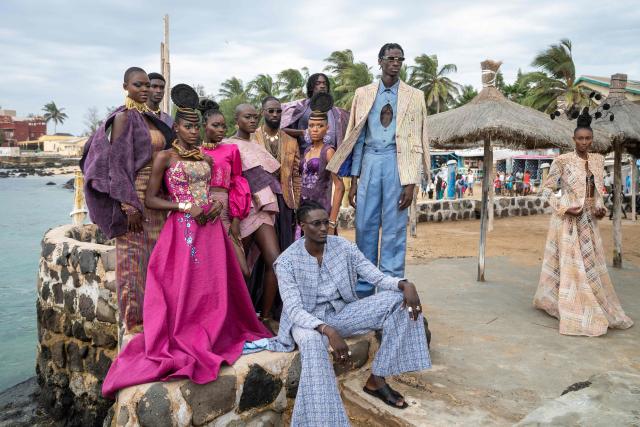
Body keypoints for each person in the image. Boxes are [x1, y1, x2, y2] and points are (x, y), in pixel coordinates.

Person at [101, 85, 271, 398]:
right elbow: (152, 199)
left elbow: (213, 190)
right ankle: (189, 332)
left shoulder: (206, 159)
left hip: (209, 228)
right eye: (188, 126)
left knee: (212, 284)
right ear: (176, 127)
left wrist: (216, 206)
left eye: (196, 126)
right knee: (183, 284)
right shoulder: (164, 157)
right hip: (181, 228)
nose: (194, 132)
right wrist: (184, 207)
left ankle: (215, 328)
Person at [266, 200, 431, 426]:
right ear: (301, 225)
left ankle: (377, 378)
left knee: (398, 301)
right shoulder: (286, 262)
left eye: (326, 222)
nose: (324, 228)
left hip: (341, 313)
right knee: (314, 345)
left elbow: (376, 277)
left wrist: (404, 285)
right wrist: (326, 330)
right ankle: (322, 420)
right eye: (316, 224)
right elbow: (294, 309)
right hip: (306, 321)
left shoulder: (343, 247)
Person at [327, 43, 431, 298]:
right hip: (370, 161)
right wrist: (354, 180)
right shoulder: (363, 93)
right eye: (391, 58)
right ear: (380, 61)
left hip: (398, 163)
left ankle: (391, 293)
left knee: (395, 228)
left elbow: (421, 137)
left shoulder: (415, 96)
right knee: (365, 226)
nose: (396, 63)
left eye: (400, 59)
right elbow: (357, 135)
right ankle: (363, 290)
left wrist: (412, 182)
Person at [81, 67, 174, 332]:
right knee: (132, 259)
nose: (144, 89)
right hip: (135, 197)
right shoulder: (124, 118)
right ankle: (134, 320)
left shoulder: (150, 118)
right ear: (125, 87)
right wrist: (127, 204)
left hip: (156, 196)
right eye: (138, 85)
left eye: (147, 85)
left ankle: (156, 315)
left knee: (155, 258)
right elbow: (117, 165)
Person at [533, 109, 633, 336]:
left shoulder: (598, 161)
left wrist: (599, 206)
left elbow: (598, 191)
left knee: (590, 261)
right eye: (580, 138)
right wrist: (564, 206)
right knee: (569, 263)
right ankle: (571, 304)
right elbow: (547, 190)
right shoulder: (562, 161)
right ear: (573, 139)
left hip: (589, 219)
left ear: (592, 139)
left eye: (588, 139)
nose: (584, 142)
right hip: (567, 219)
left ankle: (592, 300)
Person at [226, 104, 282, 322]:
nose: (252, 120)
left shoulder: (258, 145)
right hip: (242, 209)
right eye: (247, 117)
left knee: (275, 262)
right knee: (239, 267)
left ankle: (265, 318)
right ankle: (236, 317)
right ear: (236, 119)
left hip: (263, 208)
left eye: (255, 117)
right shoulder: (227, 144)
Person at [199, 100, 252, 276]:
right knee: (207, 266)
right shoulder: (193, 152)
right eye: (216, 125)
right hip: (200, 210)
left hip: (225, 211)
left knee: (241, 270)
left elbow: (238, 183)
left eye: (223, 126)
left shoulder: (231, 149)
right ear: (204, 126)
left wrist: (236, 219)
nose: (221, 130)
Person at [254, 96, 301, 251]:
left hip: (284, 200)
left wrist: (296, 205)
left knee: (284, 243)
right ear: (263, 112)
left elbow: (295, 175)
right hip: (259, 201)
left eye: (278, 111)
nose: (275, 114)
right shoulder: (252, 138)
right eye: (271, 111)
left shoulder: (291, 141)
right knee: (260, 249)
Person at [300, 93, 345, 235]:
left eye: (320, 125)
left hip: (321, 212)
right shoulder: (307, 150)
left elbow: (340, 187)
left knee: (323, 253)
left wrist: (331, 223)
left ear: (327, 128)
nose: (315, 129)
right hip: (304, 211)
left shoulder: (329, 151)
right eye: (311, 125)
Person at [281, 73, 350, 153]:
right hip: (305, 156)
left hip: (331, 157)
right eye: (318, 83)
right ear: (311, 87)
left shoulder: (337, 112)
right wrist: (302, 132)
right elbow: (280, 129)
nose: (322, 86)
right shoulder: (300, 107)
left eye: (324, 83)